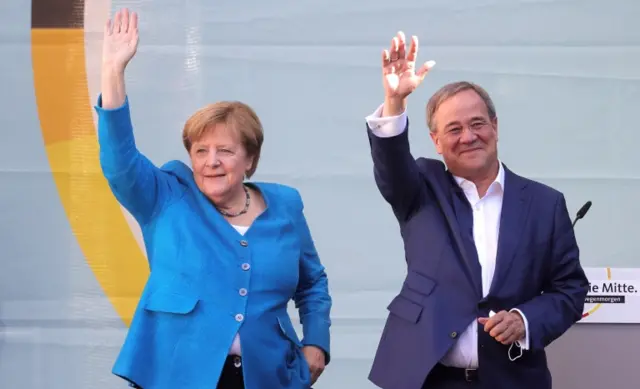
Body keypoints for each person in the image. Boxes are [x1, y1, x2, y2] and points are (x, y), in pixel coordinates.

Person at [97, 8, 331, 389]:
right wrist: (113, 72)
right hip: (177, 373)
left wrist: (317, 343)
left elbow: (313, 283)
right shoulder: (168, 194)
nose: (211, 162)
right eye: (200, 151)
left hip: (268, 375)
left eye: (224, 151)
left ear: (250, 159)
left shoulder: (285, 205)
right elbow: (119, 164)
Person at [364, 31, 589, 389]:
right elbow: (391, 164)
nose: (468, 136)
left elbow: (570, 290)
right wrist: (394, 101)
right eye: (453, 129)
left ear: (495, 128)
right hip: (428, 378)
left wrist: (525, 319)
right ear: (436, 142)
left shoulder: (545, 204)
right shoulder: (421, 187)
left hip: (512, 378)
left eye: (477, 124)